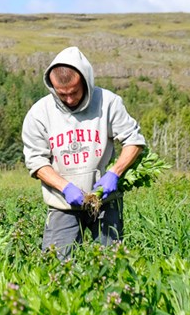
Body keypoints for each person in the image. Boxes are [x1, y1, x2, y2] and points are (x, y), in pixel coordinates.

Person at [22, 46, 145, 259]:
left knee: (112, 265)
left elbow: (134, 141)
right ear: (52, 87)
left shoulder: (109, 103)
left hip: (105, 202)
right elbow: (36, 161)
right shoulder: (39, 114)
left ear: (86, 82)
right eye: (62, 94)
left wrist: (114, 173)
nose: (69, 100)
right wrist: (65, 187)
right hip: (62, 204)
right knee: (55, 265)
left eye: (74, 92)